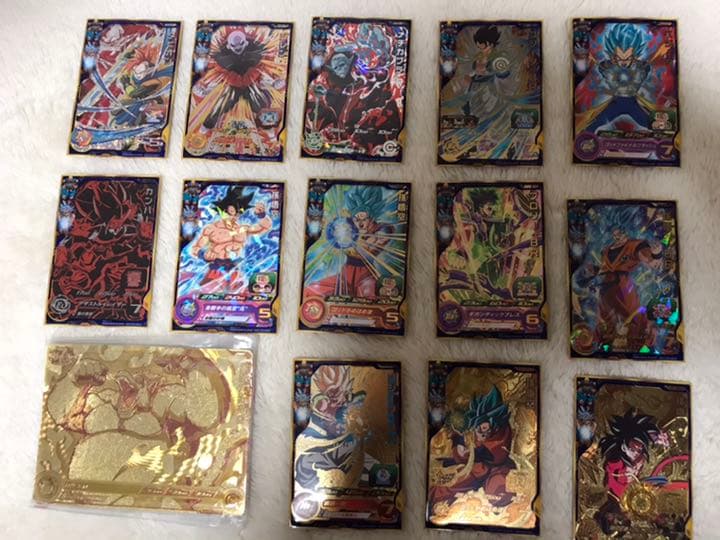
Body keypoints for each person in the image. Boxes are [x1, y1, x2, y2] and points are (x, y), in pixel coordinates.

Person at [191, 187, 271, 287]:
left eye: (238, 212)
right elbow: (195, 249)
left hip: (235, 269)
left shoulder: (242, 229)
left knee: (241, 292)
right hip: (216, 270)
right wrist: (204, 254)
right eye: (231, 212)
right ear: (222, 210)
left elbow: (263, 227)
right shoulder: (212, 228)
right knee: (211, 290)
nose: (234, 216)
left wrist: (261, 215)